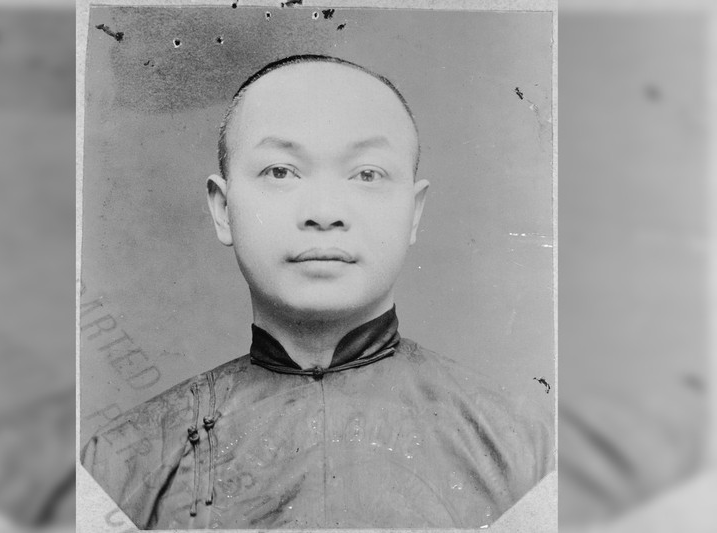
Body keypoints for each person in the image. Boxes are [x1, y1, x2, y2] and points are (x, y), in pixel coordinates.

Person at [81, 54, 554, 529]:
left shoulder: (529, 451)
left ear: (413, 212)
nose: (325, 212)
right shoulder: (119, 468)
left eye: (367, 173)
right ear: (224, 208)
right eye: (281, 172)